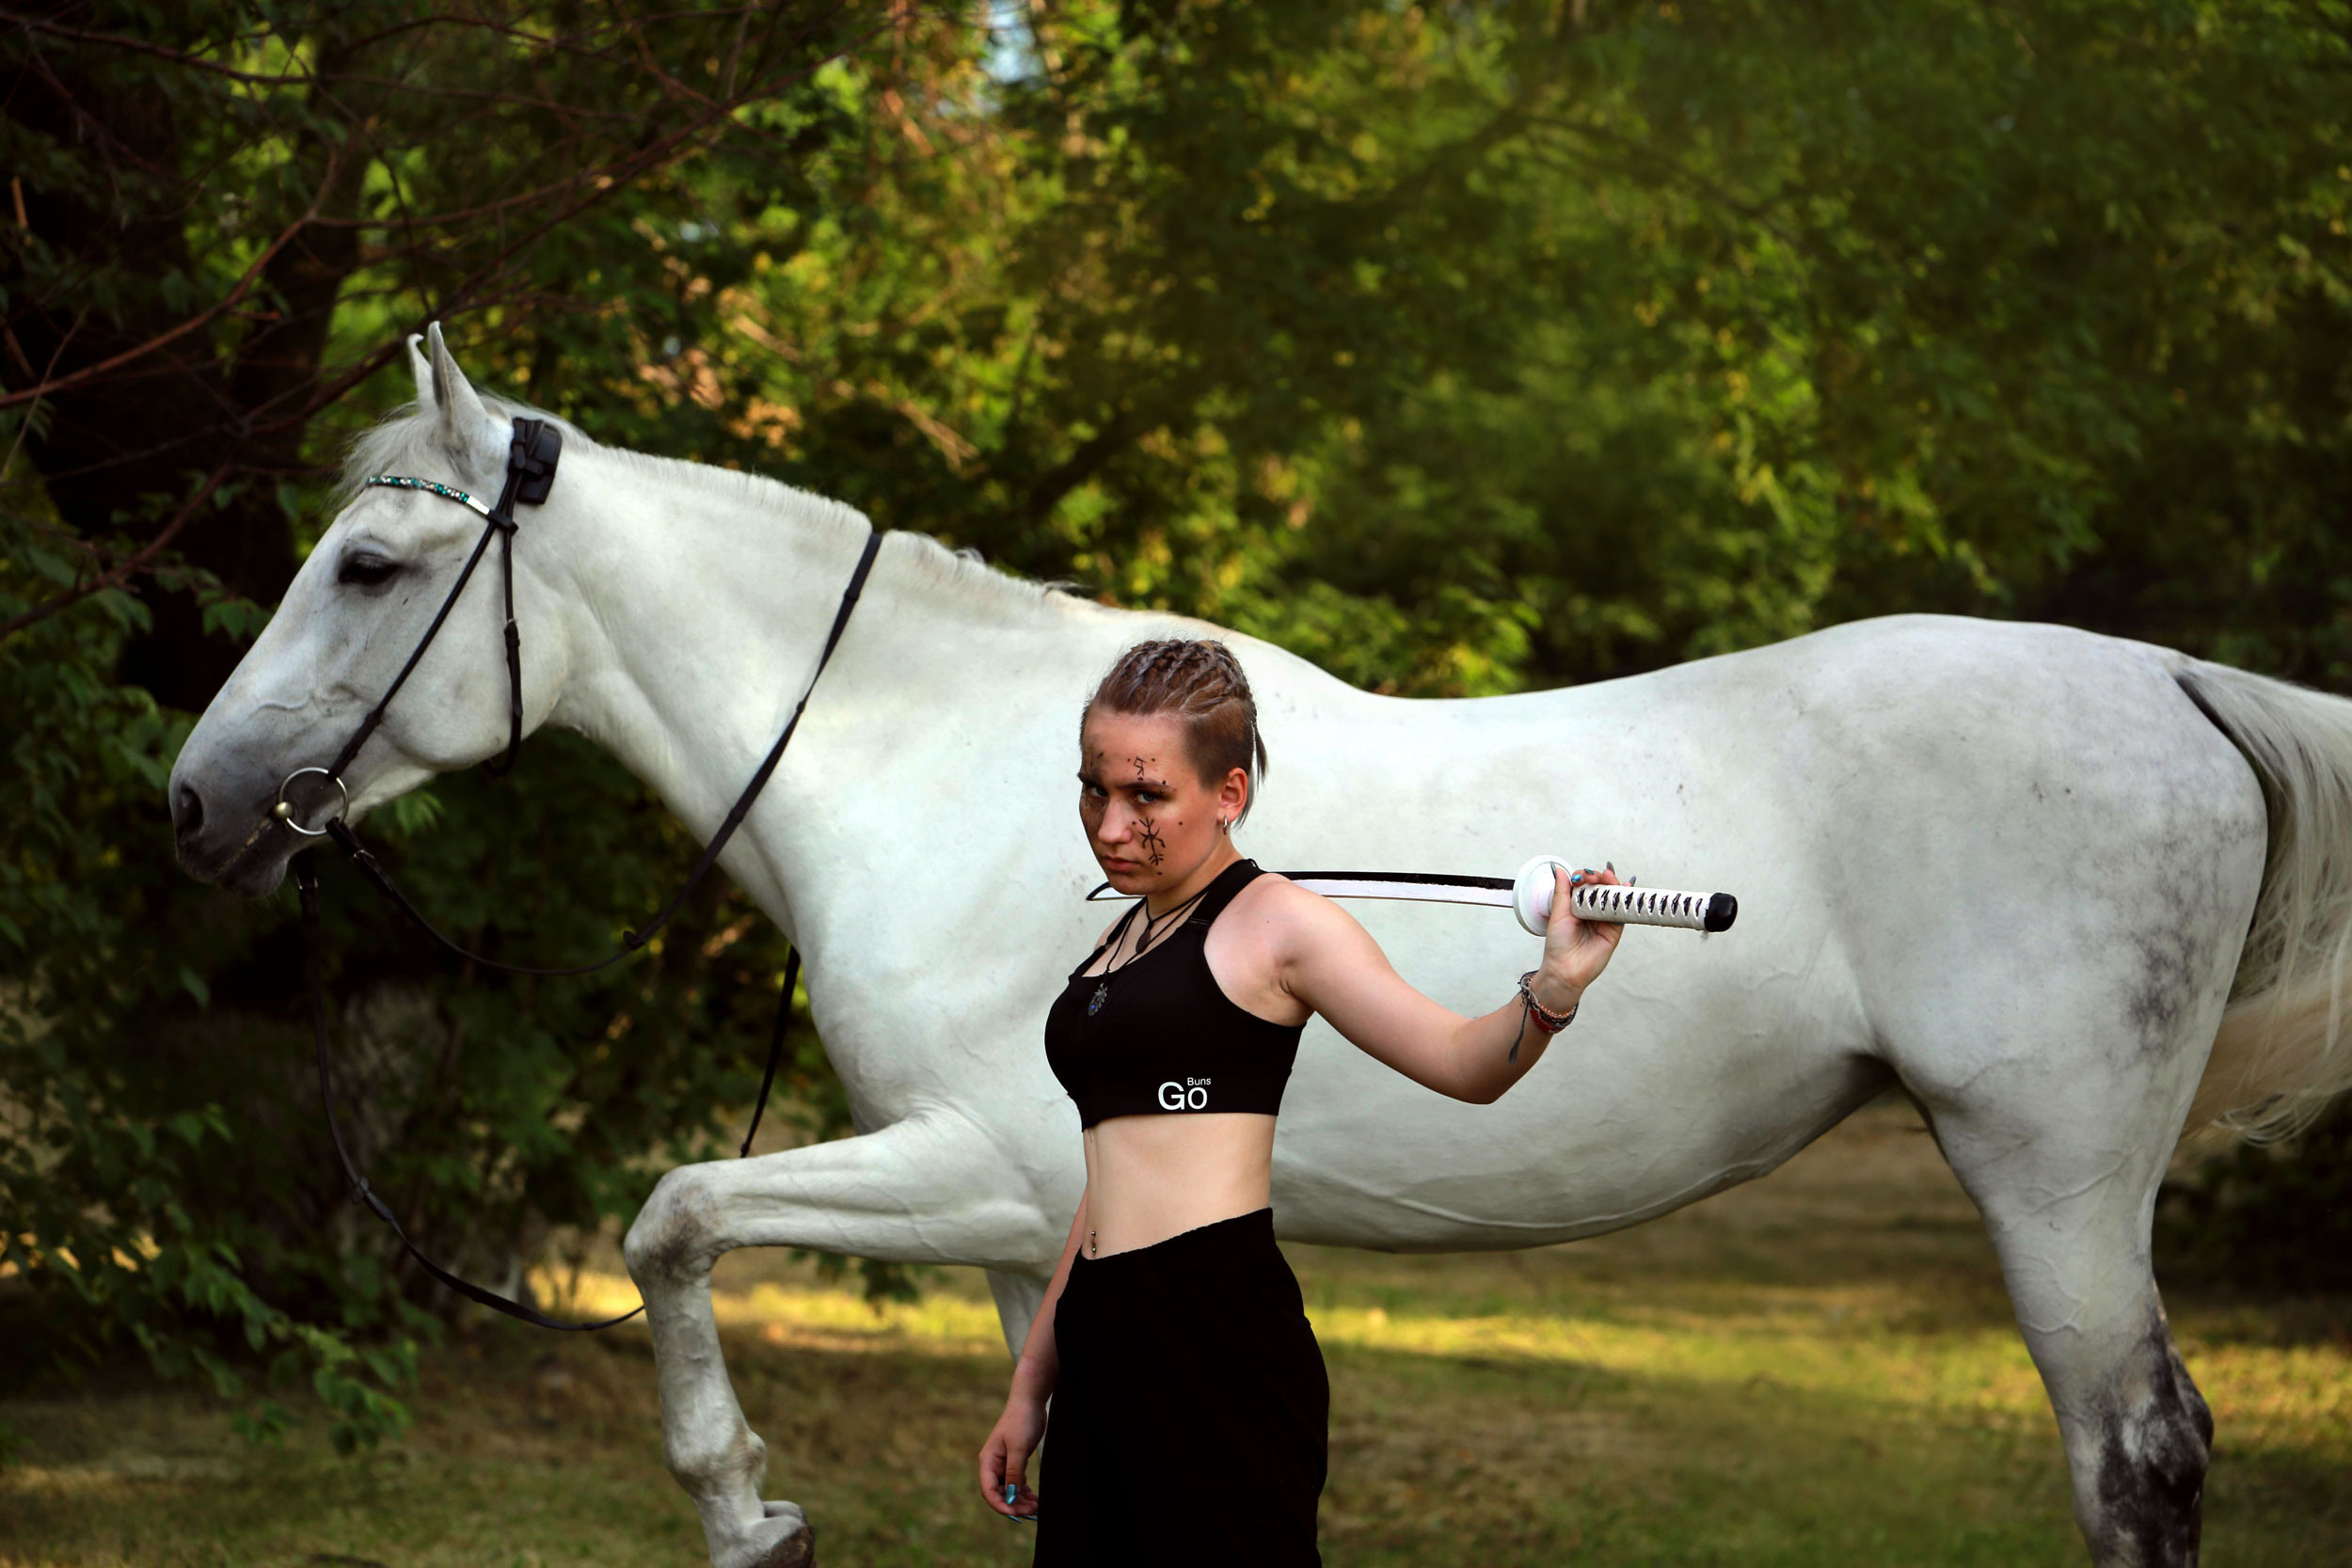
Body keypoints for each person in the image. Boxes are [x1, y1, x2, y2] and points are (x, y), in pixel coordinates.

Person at [976, 638, 1625, 1565]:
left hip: (1210, 1335)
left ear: (1227, 793)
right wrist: (1032, 1384)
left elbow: (1460, 1060)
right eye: (1094, 789)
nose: (1110, 825)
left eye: (1146, 795)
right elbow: (1110, 1183)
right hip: (1103, 1335)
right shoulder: (1128, 928)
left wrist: (1554, 985)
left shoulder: (1283, 927)